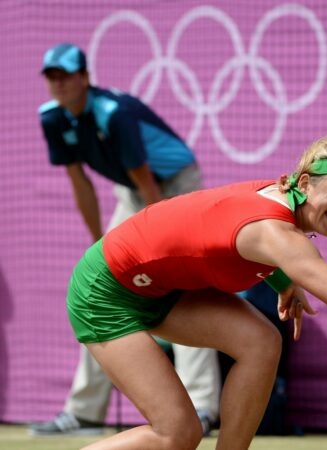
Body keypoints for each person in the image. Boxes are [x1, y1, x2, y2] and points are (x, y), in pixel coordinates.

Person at [63, 135, 327, 450]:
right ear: (306, 183)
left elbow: (219, 232)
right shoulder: (278, 233)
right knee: (177, 435)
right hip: (106, 291)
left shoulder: (280, 196)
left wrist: (282, 280)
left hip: (159, 285)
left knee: (260, 342)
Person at [31, 43, 220, 436]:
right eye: (52, 77)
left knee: (183, 288)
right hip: (131, 191)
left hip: (172, 186)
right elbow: (80, 184)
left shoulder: (113, 114)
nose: (59, 84)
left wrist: (158, 248)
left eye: (66, 75)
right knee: (99, 287)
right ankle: (84, 412)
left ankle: (202, 404)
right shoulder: (52, 118)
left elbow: (147, 182)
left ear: (85, 77)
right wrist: (98, 245)